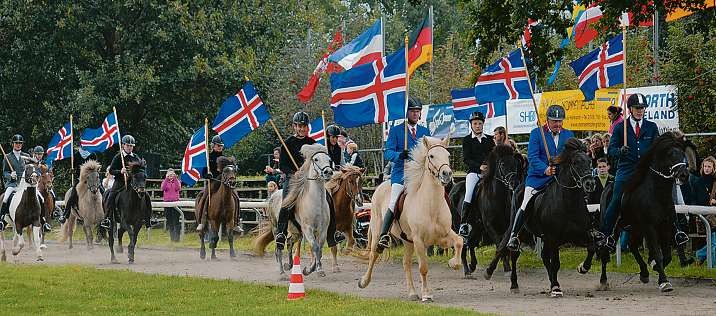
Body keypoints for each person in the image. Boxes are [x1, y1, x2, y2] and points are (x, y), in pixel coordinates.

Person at [595, 93, 688, 251]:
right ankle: (606, 234)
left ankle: (677, 230)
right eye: (637, 108)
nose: (640, 111)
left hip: (646, 169)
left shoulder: (651, 127)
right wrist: (620, 151)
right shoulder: (620, 127)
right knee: (616, 198)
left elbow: (658, 148)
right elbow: (610, 149)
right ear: (630, 109)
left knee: (665, 196)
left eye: (642, 108)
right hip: (627, 170)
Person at [506, 105, 575, 251]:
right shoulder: (537, 134)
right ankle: (515, 235)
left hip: (560, 178)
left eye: (560, 121)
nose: (557, 124)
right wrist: (545, 169)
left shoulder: (569, 134)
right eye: (554, 121)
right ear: (547, 120)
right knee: (525, 202)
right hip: (538, 178)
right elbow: (532, 157)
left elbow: (572, 155)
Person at [274, 111, 344, 249]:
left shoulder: (313, 143)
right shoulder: (287, 143)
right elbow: (282, 165)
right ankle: (281, 233)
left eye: (304, 126)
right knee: (287, 200)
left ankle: (333, 233)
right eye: (299, 126)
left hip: (311, 179)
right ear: (294, 126)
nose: (302, 129)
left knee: (329, 200)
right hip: (294, 179)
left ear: (308, 127)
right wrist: (294, 173)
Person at [376, 98, 431, 253]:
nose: (415, 113)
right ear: (406, 113)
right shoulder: (396, 131)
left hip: (420, 175)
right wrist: (399, 155)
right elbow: (387, 152)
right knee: (393, 201)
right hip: (401, 174)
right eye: (412, 111)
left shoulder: (425, 132)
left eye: (417, 111)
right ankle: (383, 235)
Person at [99, 135, 158, 229]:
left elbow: (142, 169)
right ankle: (107, 219)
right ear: (123, 145)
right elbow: (111, 171)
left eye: (131, 146)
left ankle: (149, 219)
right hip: (120, 181)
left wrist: (141, 174)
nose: (130, 147)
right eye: (128, 145)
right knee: (110, 196)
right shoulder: (118, 157)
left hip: (134, 183)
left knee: (146, 196)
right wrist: (120, 171)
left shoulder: (136, 157)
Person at [458, 111, 495, 238]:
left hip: (489, 172)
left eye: (480, 123)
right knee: (468, 194)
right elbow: (466, 159)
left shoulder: (490, 139)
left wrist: (489, 166)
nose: (477, 126)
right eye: (475, 123)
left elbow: (493, 155)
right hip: (474, 173)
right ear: (471, 125)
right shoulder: (467, 140)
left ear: (483, 124)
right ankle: (464, 223)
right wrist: (479, 166)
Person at [1, 134, 29, 230]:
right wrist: (10, 176)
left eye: (20, 143)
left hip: (24, 184)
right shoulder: (7, 157)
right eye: (16, 143)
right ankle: (1, 219)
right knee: (6, 197)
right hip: (12, 184)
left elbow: (30, 169)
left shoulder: (26, 156)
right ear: (12, 144)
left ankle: (42, 219)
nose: (18, 145)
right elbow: (4, 172)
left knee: (39, 197)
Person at [161, 168, 182, 242]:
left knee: (176, 221)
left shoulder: (177, 181)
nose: (171, 176)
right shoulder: (165, 182)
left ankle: (177, 238)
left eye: (172, 175)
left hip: (175, 203)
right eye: (169, 175)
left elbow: (178, 188)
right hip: (167, 203)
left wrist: (175, 178)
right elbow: (162, 188)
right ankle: (172, 238)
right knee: (170, 221)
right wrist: (166, 179)